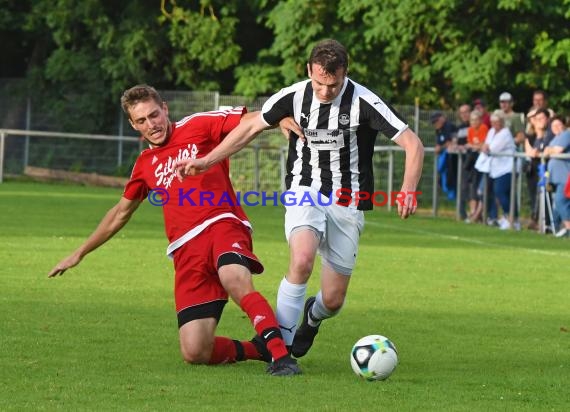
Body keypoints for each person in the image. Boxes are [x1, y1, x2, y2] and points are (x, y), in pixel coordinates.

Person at [175, 39, 424, 359]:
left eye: (332, 85)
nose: (324, 92)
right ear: (309, 71)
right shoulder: (293, 96)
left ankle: (312, 316)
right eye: (319, 83)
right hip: (304, 190)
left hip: (348, 201)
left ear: (345, 73)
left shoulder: (364, 101)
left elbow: (412, 144)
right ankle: (281, 351)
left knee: (333, 300)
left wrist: (408, 189)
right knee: (302, 259)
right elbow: (249, 128)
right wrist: (207, 160)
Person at [47, 84, 302, 376]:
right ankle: (258, 348)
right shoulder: (144, 165)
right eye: (141, 120)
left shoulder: (198, 125)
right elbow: (119, 213)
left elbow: (250, 121)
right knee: (195, 351)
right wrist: (79, 252)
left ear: (165, 109)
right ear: (133, 125)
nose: (151, 124)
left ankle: (282, 357)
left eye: (154, 115)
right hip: (185, 250)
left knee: (234, 277)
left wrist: (278, 117)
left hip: (222, 224)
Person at [482, 110, 519, 230]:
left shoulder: (505, 133)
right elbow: (485, 145)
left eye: (496, 122)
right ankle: (512, 219)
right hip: (496, 168)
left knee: (501, 192)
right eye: (492, 122)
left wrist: (486, 147)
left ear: (502, 122)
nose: (494, 125)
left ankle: (510, 217)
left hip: (507, 168)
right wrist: (486, 147)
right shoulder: (492, 131)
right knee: (503, 193)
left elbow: (492, 148)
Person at [525, 108, 554, 230]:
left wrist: (539, 151)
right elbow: (530, 152)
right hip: (534, 169)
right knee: (535, 194)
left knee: (547, 195)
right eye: (537, 119)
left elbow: (544, 149)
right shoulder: (532, 136)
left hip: (547, 169)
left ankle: (546, 222)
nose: (539, 121)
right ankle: (538, 219)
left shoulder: (550, 133)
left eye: (542, 118)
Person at [544, 116, 570, 237]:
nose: (556, 128)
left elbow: (558, 150)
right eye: (553, 126)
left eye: (559, 125)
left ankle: (568, 227)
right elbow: (546, 151)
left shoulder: (566, 134)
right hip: (556, 177)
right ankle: (557, 229)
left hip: (565, 176)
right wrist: (549, 150)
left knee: (560, 201)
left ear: (564, 125)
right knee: (557, 205)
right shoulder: (555, 138)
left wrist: (550, 150)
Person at [464, 110, 488, 223]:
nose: (473, 122)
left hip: (482, 162)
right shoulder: (469, 130)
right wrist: (475, 146)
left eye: (476, 119)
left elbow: (483, 144)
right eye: (472, 120)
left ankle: (479, 214)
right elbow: (470, 144)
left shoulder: (483, 128)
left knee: (480, 187)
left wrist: (474, 146)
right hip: (473, 162)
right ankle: (473, 212)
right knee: (471, 186)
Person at [432, 111, 458, 200]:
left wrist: (441, 147)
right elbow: (440, 143)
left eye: (437, 121)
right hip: (445, 159)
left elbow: (450, 142)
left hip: (452, 160)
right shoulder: (439, 129)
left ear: (442, 118)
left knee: (451, 179)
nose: (435, 123)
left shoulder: (449, 126)